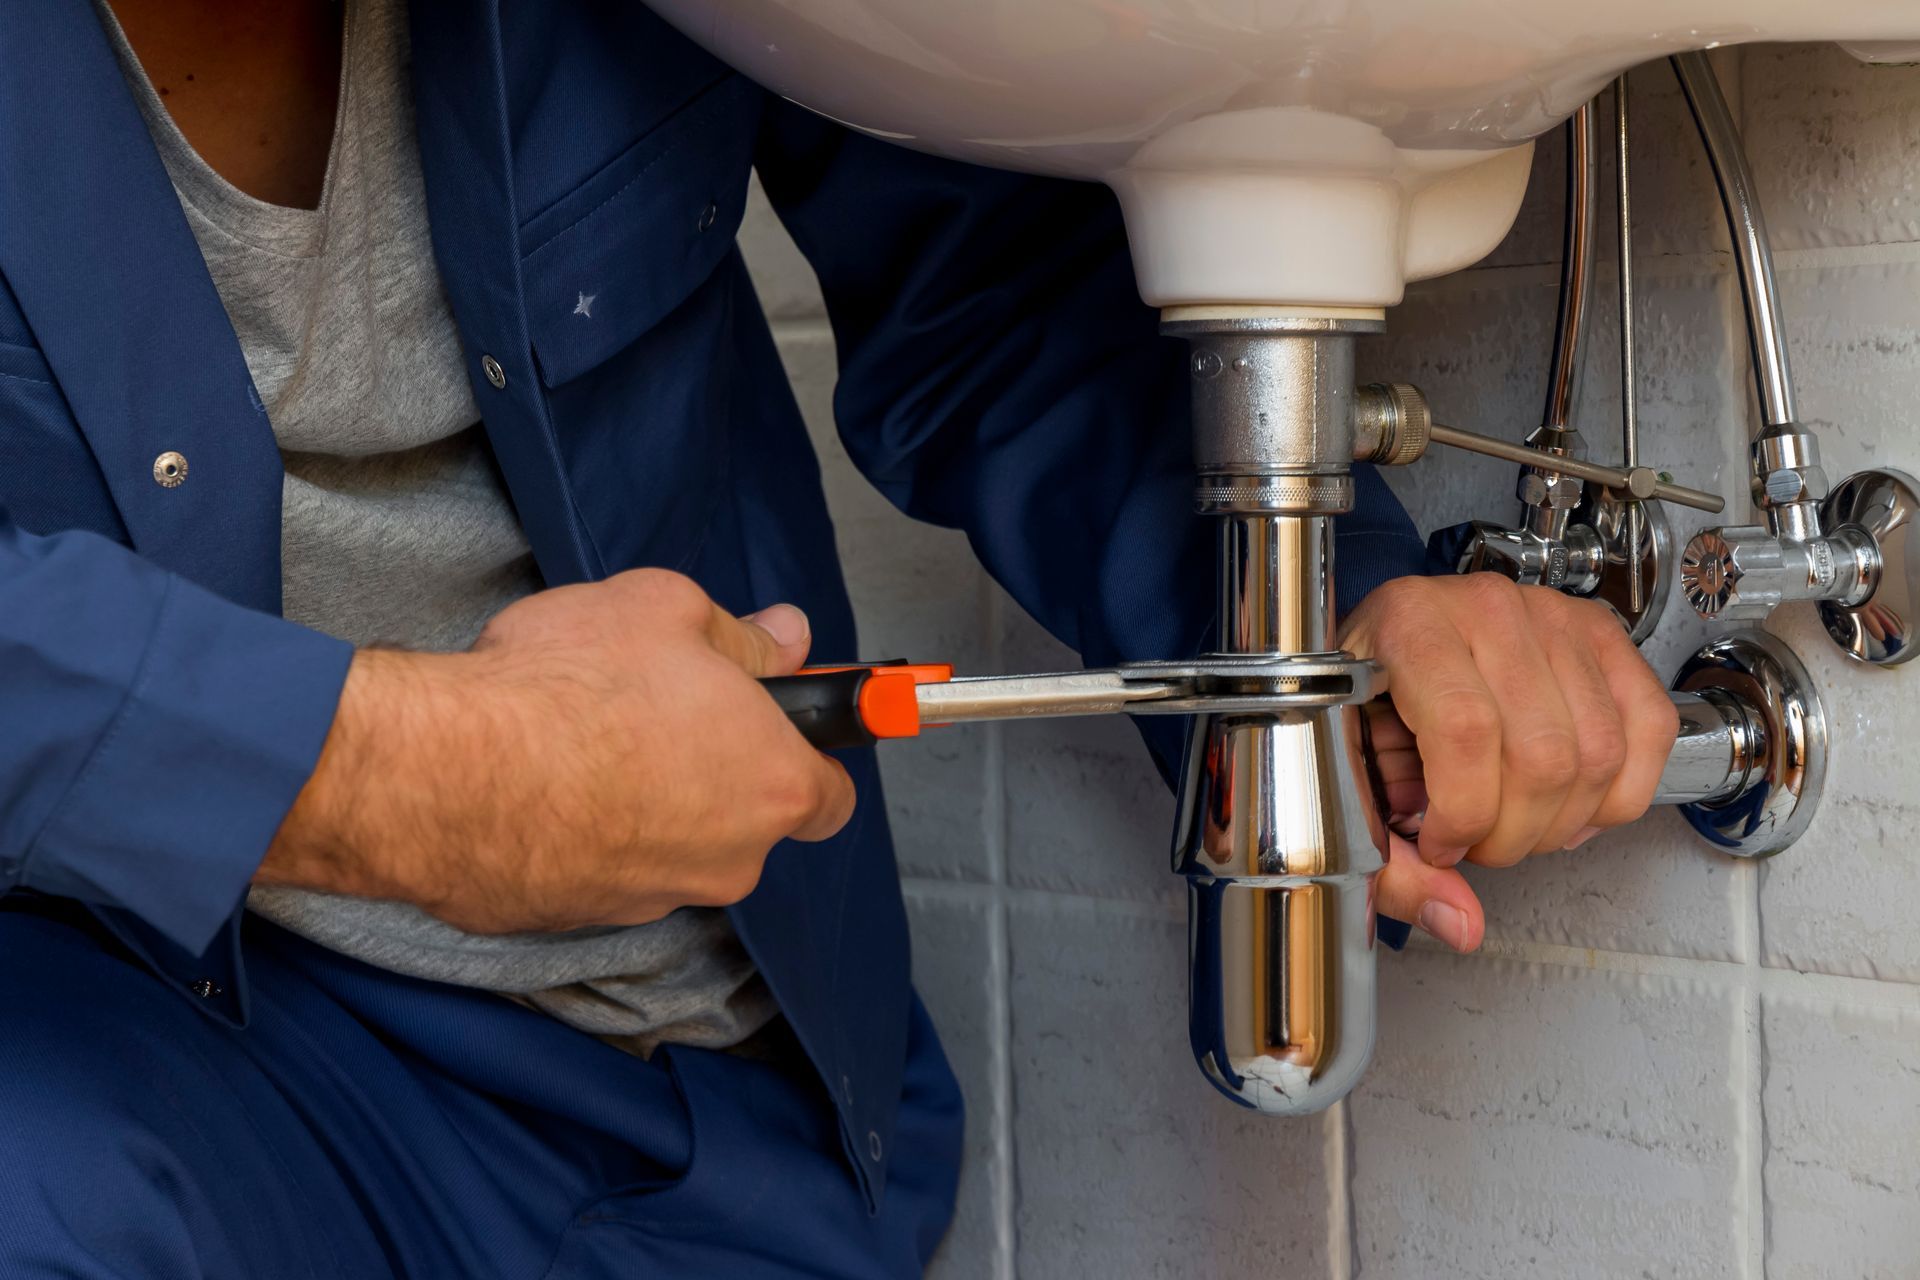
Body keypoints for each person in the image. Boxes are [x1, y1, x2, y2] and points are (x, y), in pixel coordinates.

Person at [0, 1, 1681, 1275]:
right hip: (156, 1084)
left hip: (718, 1119)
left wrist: (1328, 630)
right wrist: (398, 770)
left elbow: (1002, 299)